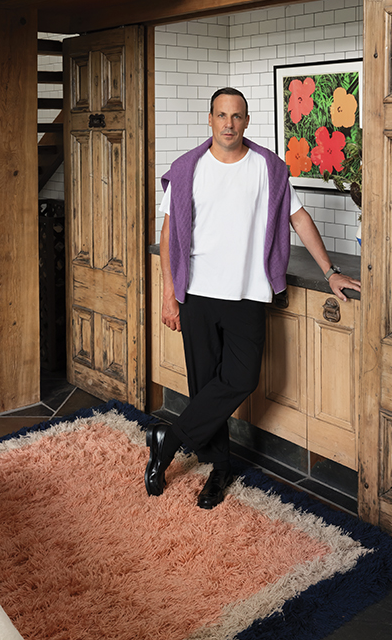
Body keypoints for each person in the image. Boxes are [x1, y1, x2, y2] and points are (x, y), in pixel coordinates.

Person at [145, 86, 361, 508]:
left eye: (237, 116)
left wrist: (330, 271)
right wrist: (169, 294)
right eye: (221, 115)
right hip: (199, 296)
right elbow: (169, 233)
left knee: (240, 381)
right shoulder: (189, 168)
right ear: (209, 119)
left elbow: (299, 217)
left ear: (247, 121)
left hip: (247, 296)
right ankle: (220, 469)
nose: (229, 123)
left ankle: (167, 440)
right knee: (207, 387)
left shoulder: (268, 168)